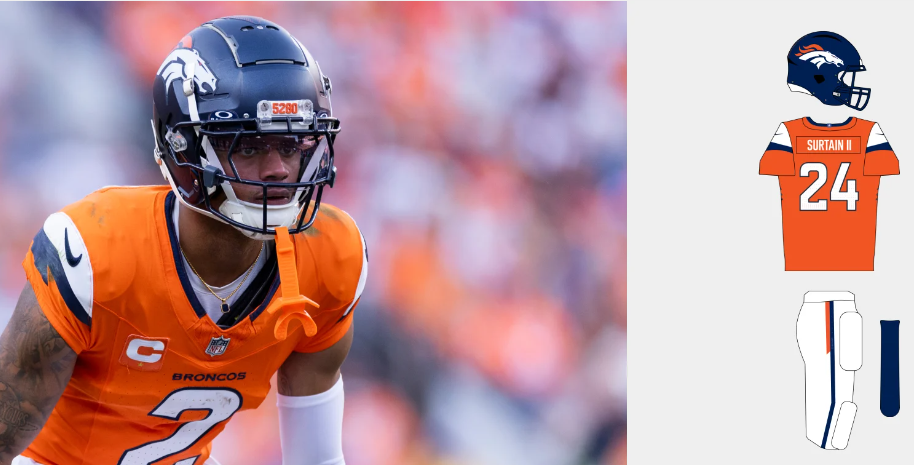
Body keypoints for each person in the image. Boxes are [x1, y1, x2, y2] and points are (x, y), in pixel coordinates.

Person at [1, 15, 366, 465]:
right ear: (184, 151)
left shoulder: (330, 257)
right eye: (249, 147)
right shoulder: (100, 250)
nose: (278, 170)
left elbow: (318, 458)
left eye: (290, 146)